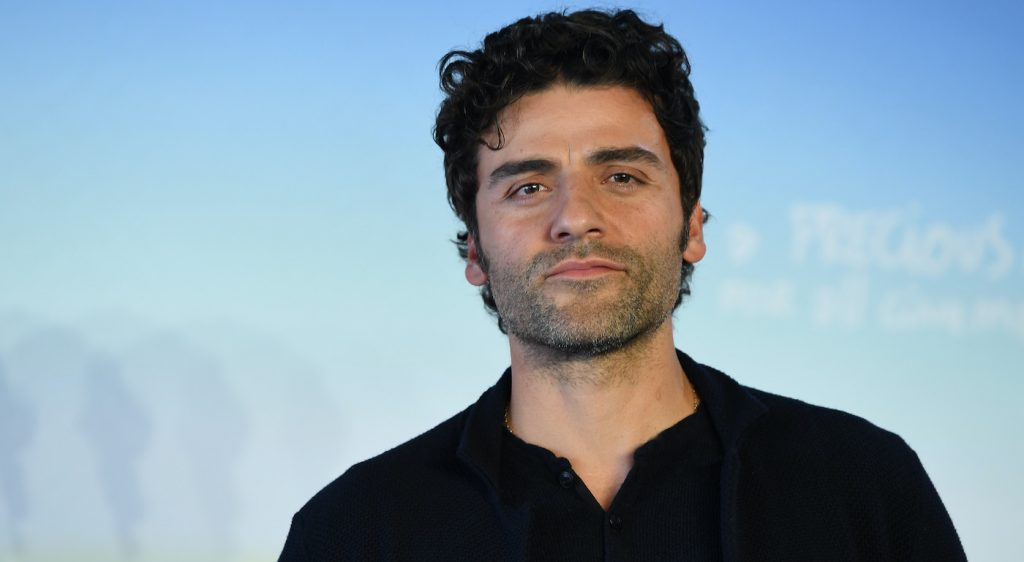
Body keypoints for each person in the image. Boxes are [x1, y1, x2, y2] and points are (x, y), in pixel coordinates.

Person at [278, 9, 965, 561]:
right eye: (528, 185)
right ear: (476, 251)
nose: (575, 217)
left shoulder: (862, 487)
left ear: (693, 226)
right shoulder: (352, 533)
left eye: (622, 177)